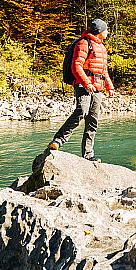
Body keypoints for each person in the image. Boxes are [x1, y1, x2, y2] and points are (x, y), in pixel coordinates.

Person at [46, 18, 115, 162]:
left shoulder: (102, 48)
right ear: (99, 31)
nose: (107, 33)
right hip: (83, 85)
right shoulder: (83, 43)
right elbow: (76, 65)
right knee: (81, 111)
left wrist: (110, 87)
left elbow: (104, 71)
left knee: (92, 121)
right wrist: (86, 83)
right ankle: (58, 140)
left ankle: (88, 155)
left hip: (98, 87)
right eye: (106, 30)